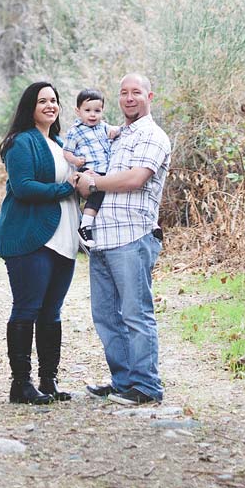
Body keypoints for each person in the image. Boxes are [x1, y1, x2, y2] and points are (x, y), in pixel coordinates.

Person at [74, 72, 171, 405]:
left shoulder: (153, 137)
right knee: (106, 316)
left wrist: (94, 184)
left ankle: (146, 387)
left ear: (149, 96)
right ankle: (123, 381)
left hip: (132, 237)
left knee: (135, 313)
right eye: (124, 93)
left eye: (136, 93)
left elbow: (135, 179)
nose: (129, 98)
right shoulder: (116, 135)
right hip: (102, 237)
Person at [0, 80, 79, 405]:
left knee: (52, 312)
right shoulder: (21, 143)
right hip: (31, 237)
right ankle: (21, 384)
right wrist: (66, 188)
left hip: (64, 237)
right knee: (27, 307)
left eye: (54, 100)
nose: (49, 105)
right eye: (42, 100)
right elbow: (23, 186)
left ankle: (48, 381)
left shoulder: (58, 143)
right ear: (30, 106)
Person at [62, 87, 121, 250]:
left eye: (97, 110)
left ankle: (90, 226)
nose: (93, 114)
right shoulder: (75, 131)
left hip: (103, 170)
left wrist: (115, 130)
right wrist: (75, 160)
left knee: (102, 196)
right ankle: (84, 227)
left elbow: (115, 130)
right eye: (87, 110)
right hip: (87, 169)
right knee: (97, 194)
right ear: (78, 111)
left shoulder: (103, 126)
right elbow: (66, 151)